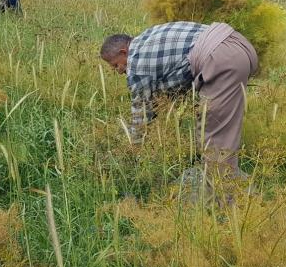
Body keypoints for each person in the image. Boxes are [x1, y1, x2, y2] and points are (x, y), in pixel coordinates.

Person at [100, 21, 259, 180]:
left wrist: (130, 149)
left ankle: (222, 196)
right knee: (216, 122)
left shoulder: (137, 65)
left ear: (123, 52)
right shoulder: (148, 37)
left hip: (221, 59)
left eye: (115, 65)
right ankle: (227, 183)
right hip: (238, 45)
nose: (118, 72)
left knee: (215, 135)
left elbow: (141, 116)